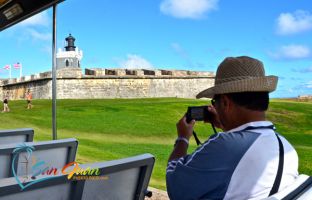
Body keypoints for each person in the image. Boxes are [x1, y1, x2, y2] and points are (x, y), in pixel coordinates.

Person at [166, 56, 299, 200]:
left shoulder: (224, 144)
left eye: (215, 101)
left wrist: (182, 138)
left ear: (225, 102)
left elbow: (175, 183)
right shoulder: (285, 146)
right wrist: (225, 125)